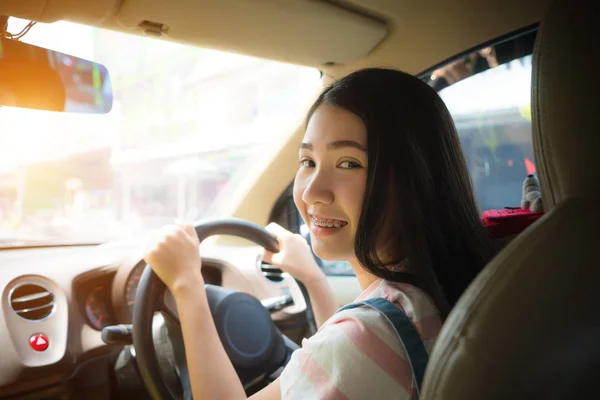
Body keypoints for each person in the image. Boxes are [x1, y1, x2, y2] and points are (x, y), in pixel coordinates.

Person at [144, 68, 493, 399]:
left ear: (413, 179)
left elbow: (353, 347)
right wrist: (312, 277)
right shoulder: (441, 293)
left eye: (349, 163)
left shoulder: (369, 337)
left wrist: (186, 285)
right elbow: (351, 352)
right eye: (308, 162)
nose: (312, 193)